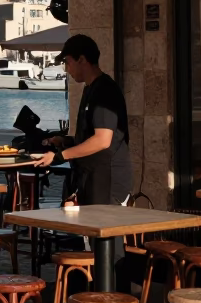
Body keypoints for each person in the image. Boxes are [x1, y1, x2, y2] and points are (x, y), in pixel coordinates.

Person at [31, 35, 132, 277]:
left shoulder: (105, 91)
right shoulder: (90, 90)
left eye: (67, 62)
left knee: (108, 245)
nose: (66, 68)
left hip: (107, 178)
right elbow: (89, 136)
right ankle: (96, 300)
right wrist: (63, 141)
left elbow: (102, 140)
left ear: (82, 59)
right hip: (91, 176)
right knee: (92, 243)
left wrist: (59, 156)